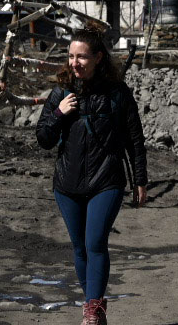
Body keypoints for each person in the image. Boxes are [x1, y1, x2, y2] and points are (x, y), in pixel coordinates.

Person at [35, 29, 148, 325]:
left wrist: (140, 179)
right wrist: (59, 114)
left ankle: (91, 313)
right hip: (67, 185)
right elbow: (44, 139)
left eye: (81, 56)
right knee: (79, 247)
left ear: (98, 58)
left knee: (95, 242)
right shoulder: (61, 92)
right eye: (71, 56)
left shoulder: (118, 93)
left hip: (106, 181)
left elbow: (135, 139)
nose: (75, 62)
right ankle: (94, 308)